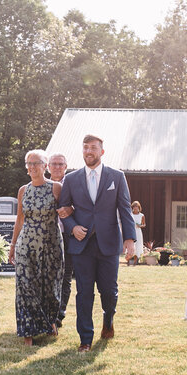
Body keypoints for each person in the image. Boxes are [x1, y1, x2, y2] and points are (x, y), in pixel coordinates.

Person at [57, 134, 137, 352]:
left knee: (109, 291)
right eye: (85, 148)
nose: (88, 152)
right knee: (84, 292)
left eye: (93, 148)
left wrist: (130, 239)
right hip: (82, 245)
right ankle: (85, 339)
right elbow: (63, 210)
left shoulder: (117, 177)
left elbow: (125, 209)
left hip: (109, 243)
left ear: (102, 152)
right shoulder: (71, 179)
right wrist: (73, 227)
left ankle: (108, 320)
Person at [9, 150, 64, 346]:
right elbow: (19, 219)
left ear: (45, 166)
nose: (32, 166)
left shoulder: (56, 188)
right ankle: (28, 331)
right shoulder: (23, 190)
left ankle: (49, 323)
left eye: (36, 162)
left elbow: (68, 210)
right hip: (26, 244)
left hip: (51, 243)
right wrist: (13, 245)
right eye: (29, 163)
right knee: (25, 285)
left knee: (50, 287)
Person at [47, 152, 72, 328]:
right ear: (48, 167)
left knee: (65, 277)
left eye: (60, 164)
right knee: (46, 277)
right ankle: (45, 315)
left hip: (67, 236)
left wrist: (71, 209)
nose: (57, 167)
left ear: (66, 167)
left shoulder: (73, 184)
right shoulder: (42, 185)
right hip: (46, 236)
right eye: (53, 164)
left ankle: (58, 317)